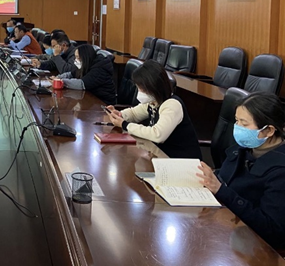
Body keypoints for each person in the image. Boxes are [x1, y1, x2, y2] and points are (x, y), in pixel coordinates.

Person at [197, 93, 285, 250]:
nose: (237, 128)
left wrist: (222, 191)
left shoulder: (280, 170)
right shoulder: (245, 148)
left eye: (244, 124)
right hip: (224, 223)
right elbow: (225, 176)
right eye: (236, 121)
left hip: (254, 246)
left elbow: (271, 229)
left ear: (269, 130)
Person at [106, 60, 201, 159]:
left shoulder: (172, 105)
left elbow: (157, 135)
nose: (139, 92)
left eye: (141, 89)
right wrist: (119, 115)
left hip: (182, 161)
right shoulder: (154, 101)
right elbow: (134, 113)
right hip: (163, 157)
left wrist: (124, 124)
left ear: (153, 87)